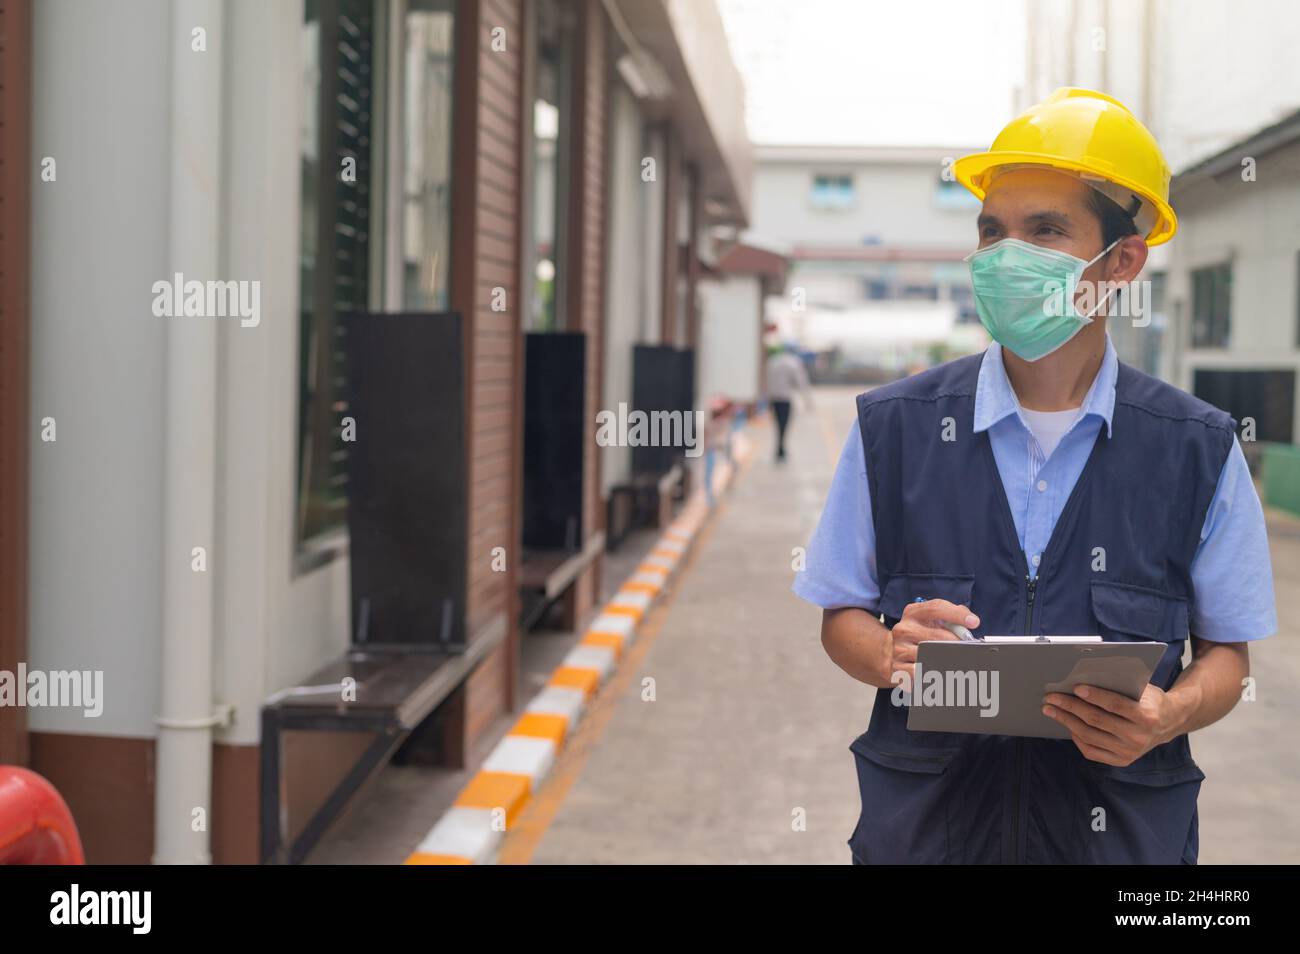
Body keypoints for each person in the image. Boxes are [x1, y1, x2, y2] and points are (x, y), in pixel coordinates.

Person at [793, 88, 1276, 864]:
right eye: (993, 231)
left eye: (1044, 230)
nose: (1004, 255)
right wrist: (889, 655)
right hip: (929, 837)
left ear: (1121, 261)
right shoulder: (897, 429)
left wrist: (1169, 712)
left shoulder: (1198, 450)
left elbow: (1227, 654)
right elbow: (841, 613)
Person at [764, 342, 811, 462]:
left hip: (773, 398)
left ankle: (780, 449)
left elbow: (766, 380)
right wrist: (806, 399)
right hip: (785, 398)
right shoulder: (793, 363)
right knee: (784, 424)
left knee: (778, 424)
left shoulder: (772, 361)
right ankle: (780, 449)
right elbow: (800, 382)